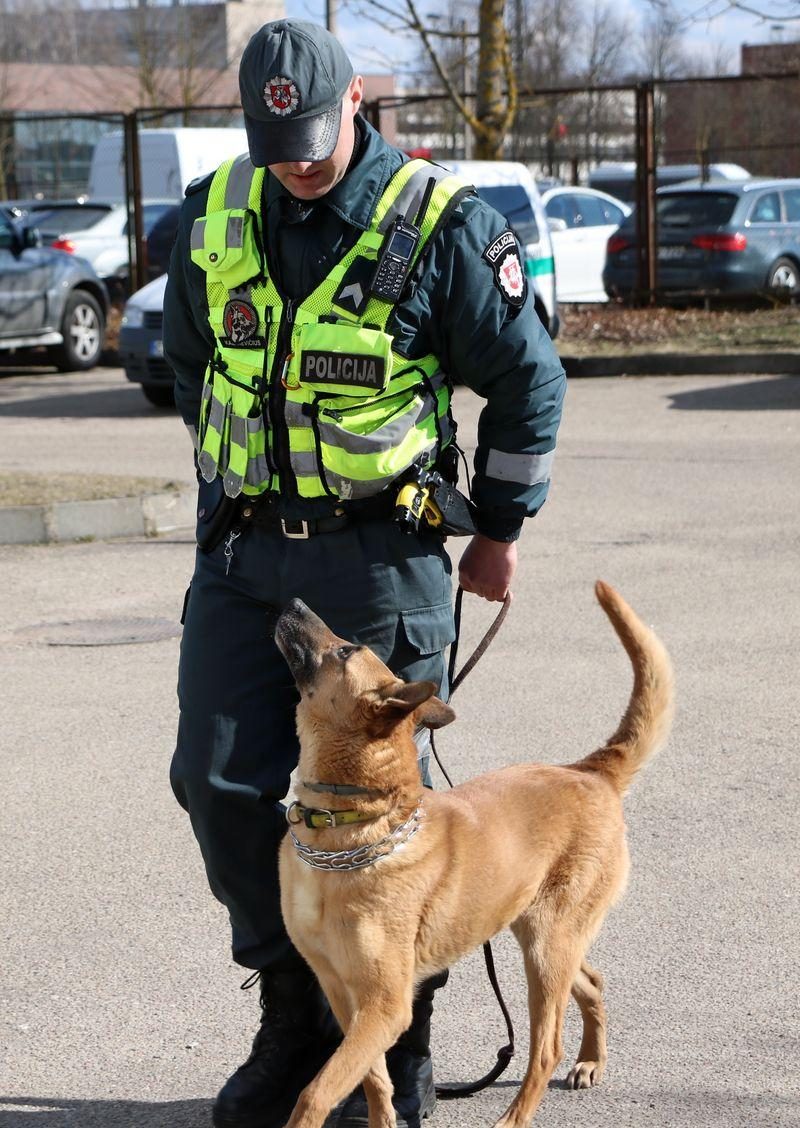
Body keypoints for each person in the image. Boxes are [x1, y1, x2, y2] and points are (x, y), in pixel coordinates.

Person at [164, 17, 566, 1128]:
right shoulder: (212, 217)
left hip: (378, 558)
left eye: (309, 133)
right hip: (245, 555)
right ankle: (294, 1016)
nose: (292, 158)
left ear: (355, 106)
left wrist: (499, 525)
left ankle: (406, 1036)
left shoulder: (439, 228)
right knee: (218, 781)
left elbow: (528, 382)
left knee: (390, 817)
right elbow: (190, 366)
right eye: (270, 137)